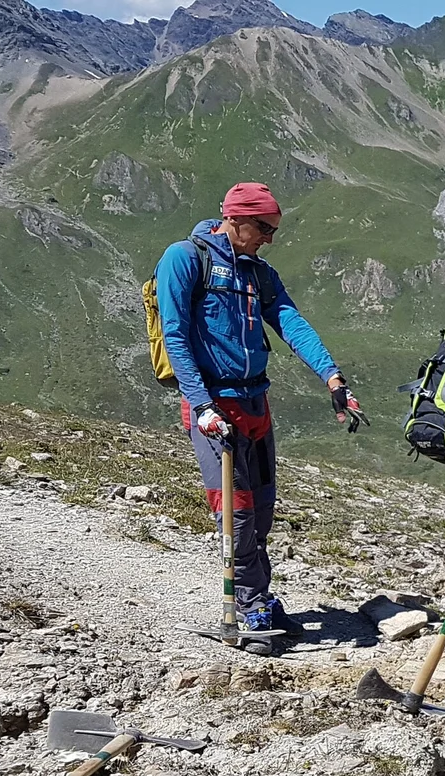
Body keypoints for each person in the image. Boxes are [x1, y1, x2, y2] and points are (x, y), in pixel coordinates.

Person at [155, 181, 366, 647]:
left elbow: (290, 320)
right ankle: (250, 606)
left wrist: (333, 378)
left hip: (256, 404)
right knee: (238, 514)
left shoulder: (257, 273)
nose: (270, 238)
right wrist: (203, 404)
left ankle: (259, 597)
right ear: (235, 218)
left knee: (263, 510)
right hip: (215, 406)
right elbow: (176, 334)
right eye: (264, 228)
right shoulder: (185, 258)